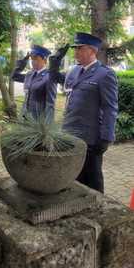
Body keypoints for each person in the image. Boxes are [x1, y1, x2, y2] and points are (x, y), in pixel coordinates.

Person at [49, 32, 118, 193]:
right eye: (75, 49)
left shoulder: (105, 74)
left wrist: (106, 137)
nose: (76, 52)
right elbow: (56, 78)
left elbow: (110, 107)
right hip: (69, 133)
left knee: (93, 179)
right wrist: (54, 63)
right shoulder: (74, 71)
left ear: (92, 50)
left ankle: (99, 209)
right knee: (73, 176)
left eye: (80, 48)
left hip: (90, 138)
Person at [11, 45, 57, 122]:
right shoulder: (30, 74)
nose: (33, 62)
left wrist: (47, 127)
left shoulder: (49, 77)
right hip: (24, 118)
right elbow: (14, 76)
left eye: (36, 59)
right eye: (32, 59)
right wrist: (24, 61)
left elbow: (50, 105)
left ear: (45, 60)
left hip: (37, 122)